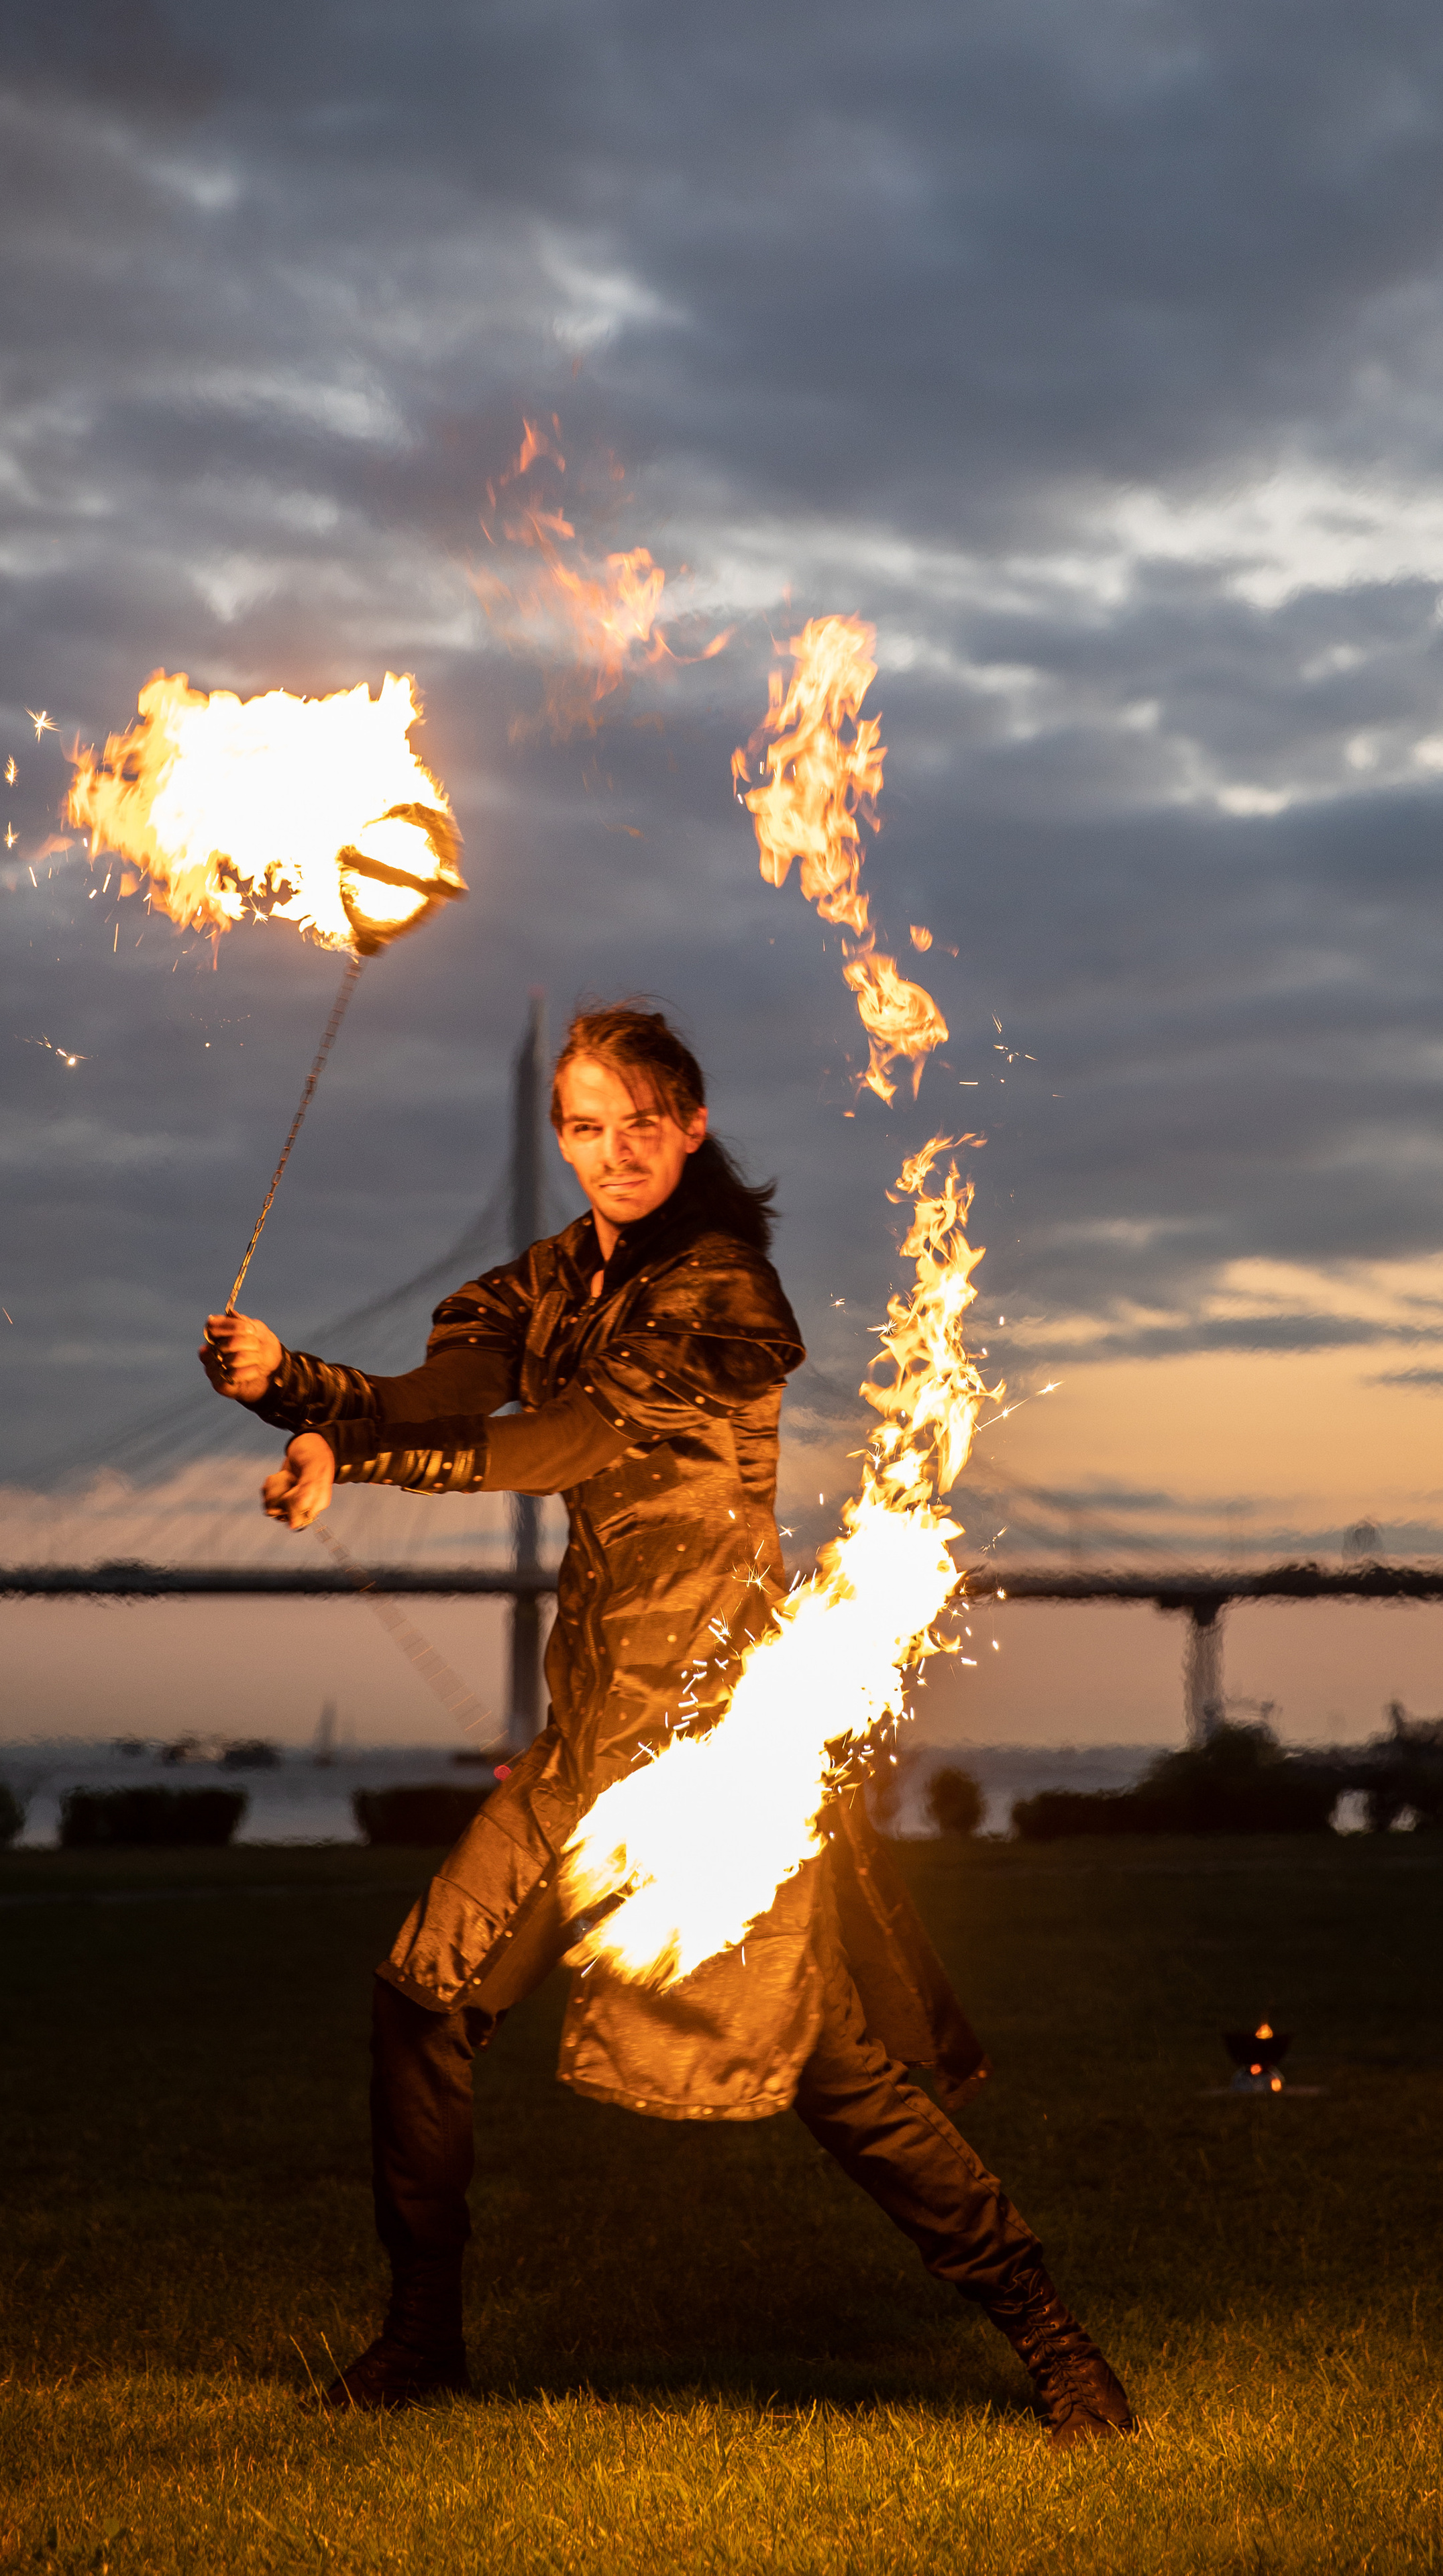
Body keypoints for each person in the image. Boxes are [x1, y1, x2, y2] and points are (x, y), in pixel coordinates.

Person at [200, 1004, 1132, 2444]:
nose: (612, 1149)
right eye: (583, 1124)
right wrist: (298, 1392)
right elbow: (451, 1390)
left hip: (716, 1760)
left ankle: (1050, 2338)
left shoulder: (721, 1291)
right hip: (584, 1748)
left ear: (690, 1128)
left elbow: (572, 1440)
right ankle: (419, 2345)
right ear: (558, 1136)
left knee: (828, 2069)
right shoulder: (550, 1276)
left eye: (641, 1121)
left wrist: (362, 1456)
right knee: (422, 2002)